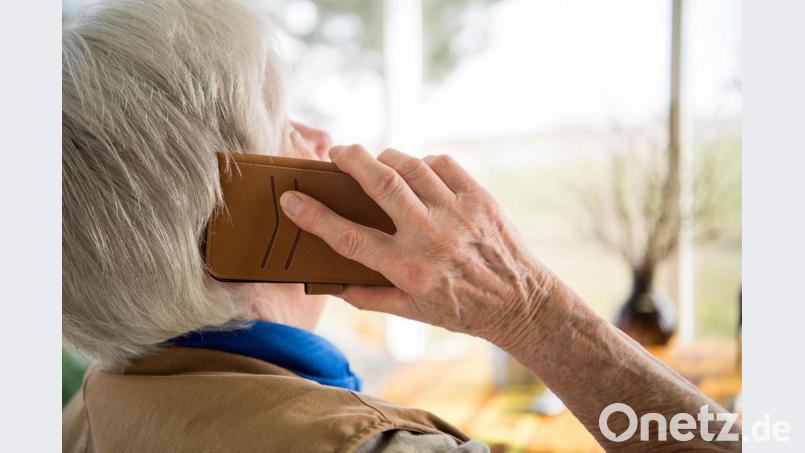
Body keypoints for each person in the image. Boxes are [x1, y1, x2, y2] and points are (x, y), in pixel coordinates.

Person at [62, 0, 740, 451]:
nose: (320, 136)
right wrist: (530, 310)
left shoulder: (85, 414)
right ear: (240, 216)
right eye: (284, 126)